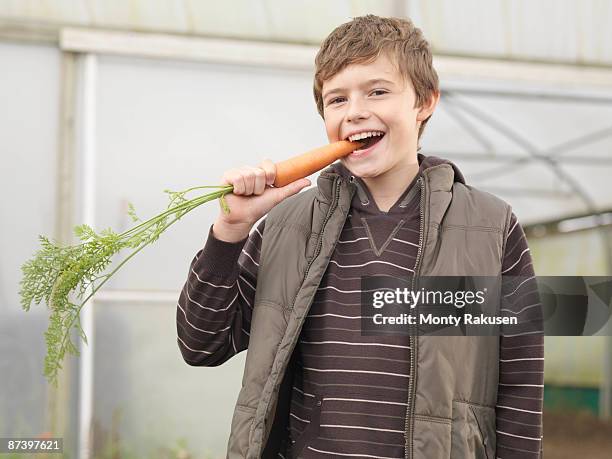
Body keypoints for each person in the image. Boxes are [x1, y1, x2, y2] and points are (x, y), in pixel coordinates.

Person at [176, 14, 544, 458]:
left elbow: (520, 380)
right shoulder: (285, 225)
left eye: (378, 91)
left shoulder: (489, 226)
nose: (355, 112)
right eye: (337, 99)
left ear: (425, 101)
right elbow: (202, 345)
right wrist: (229, 232)